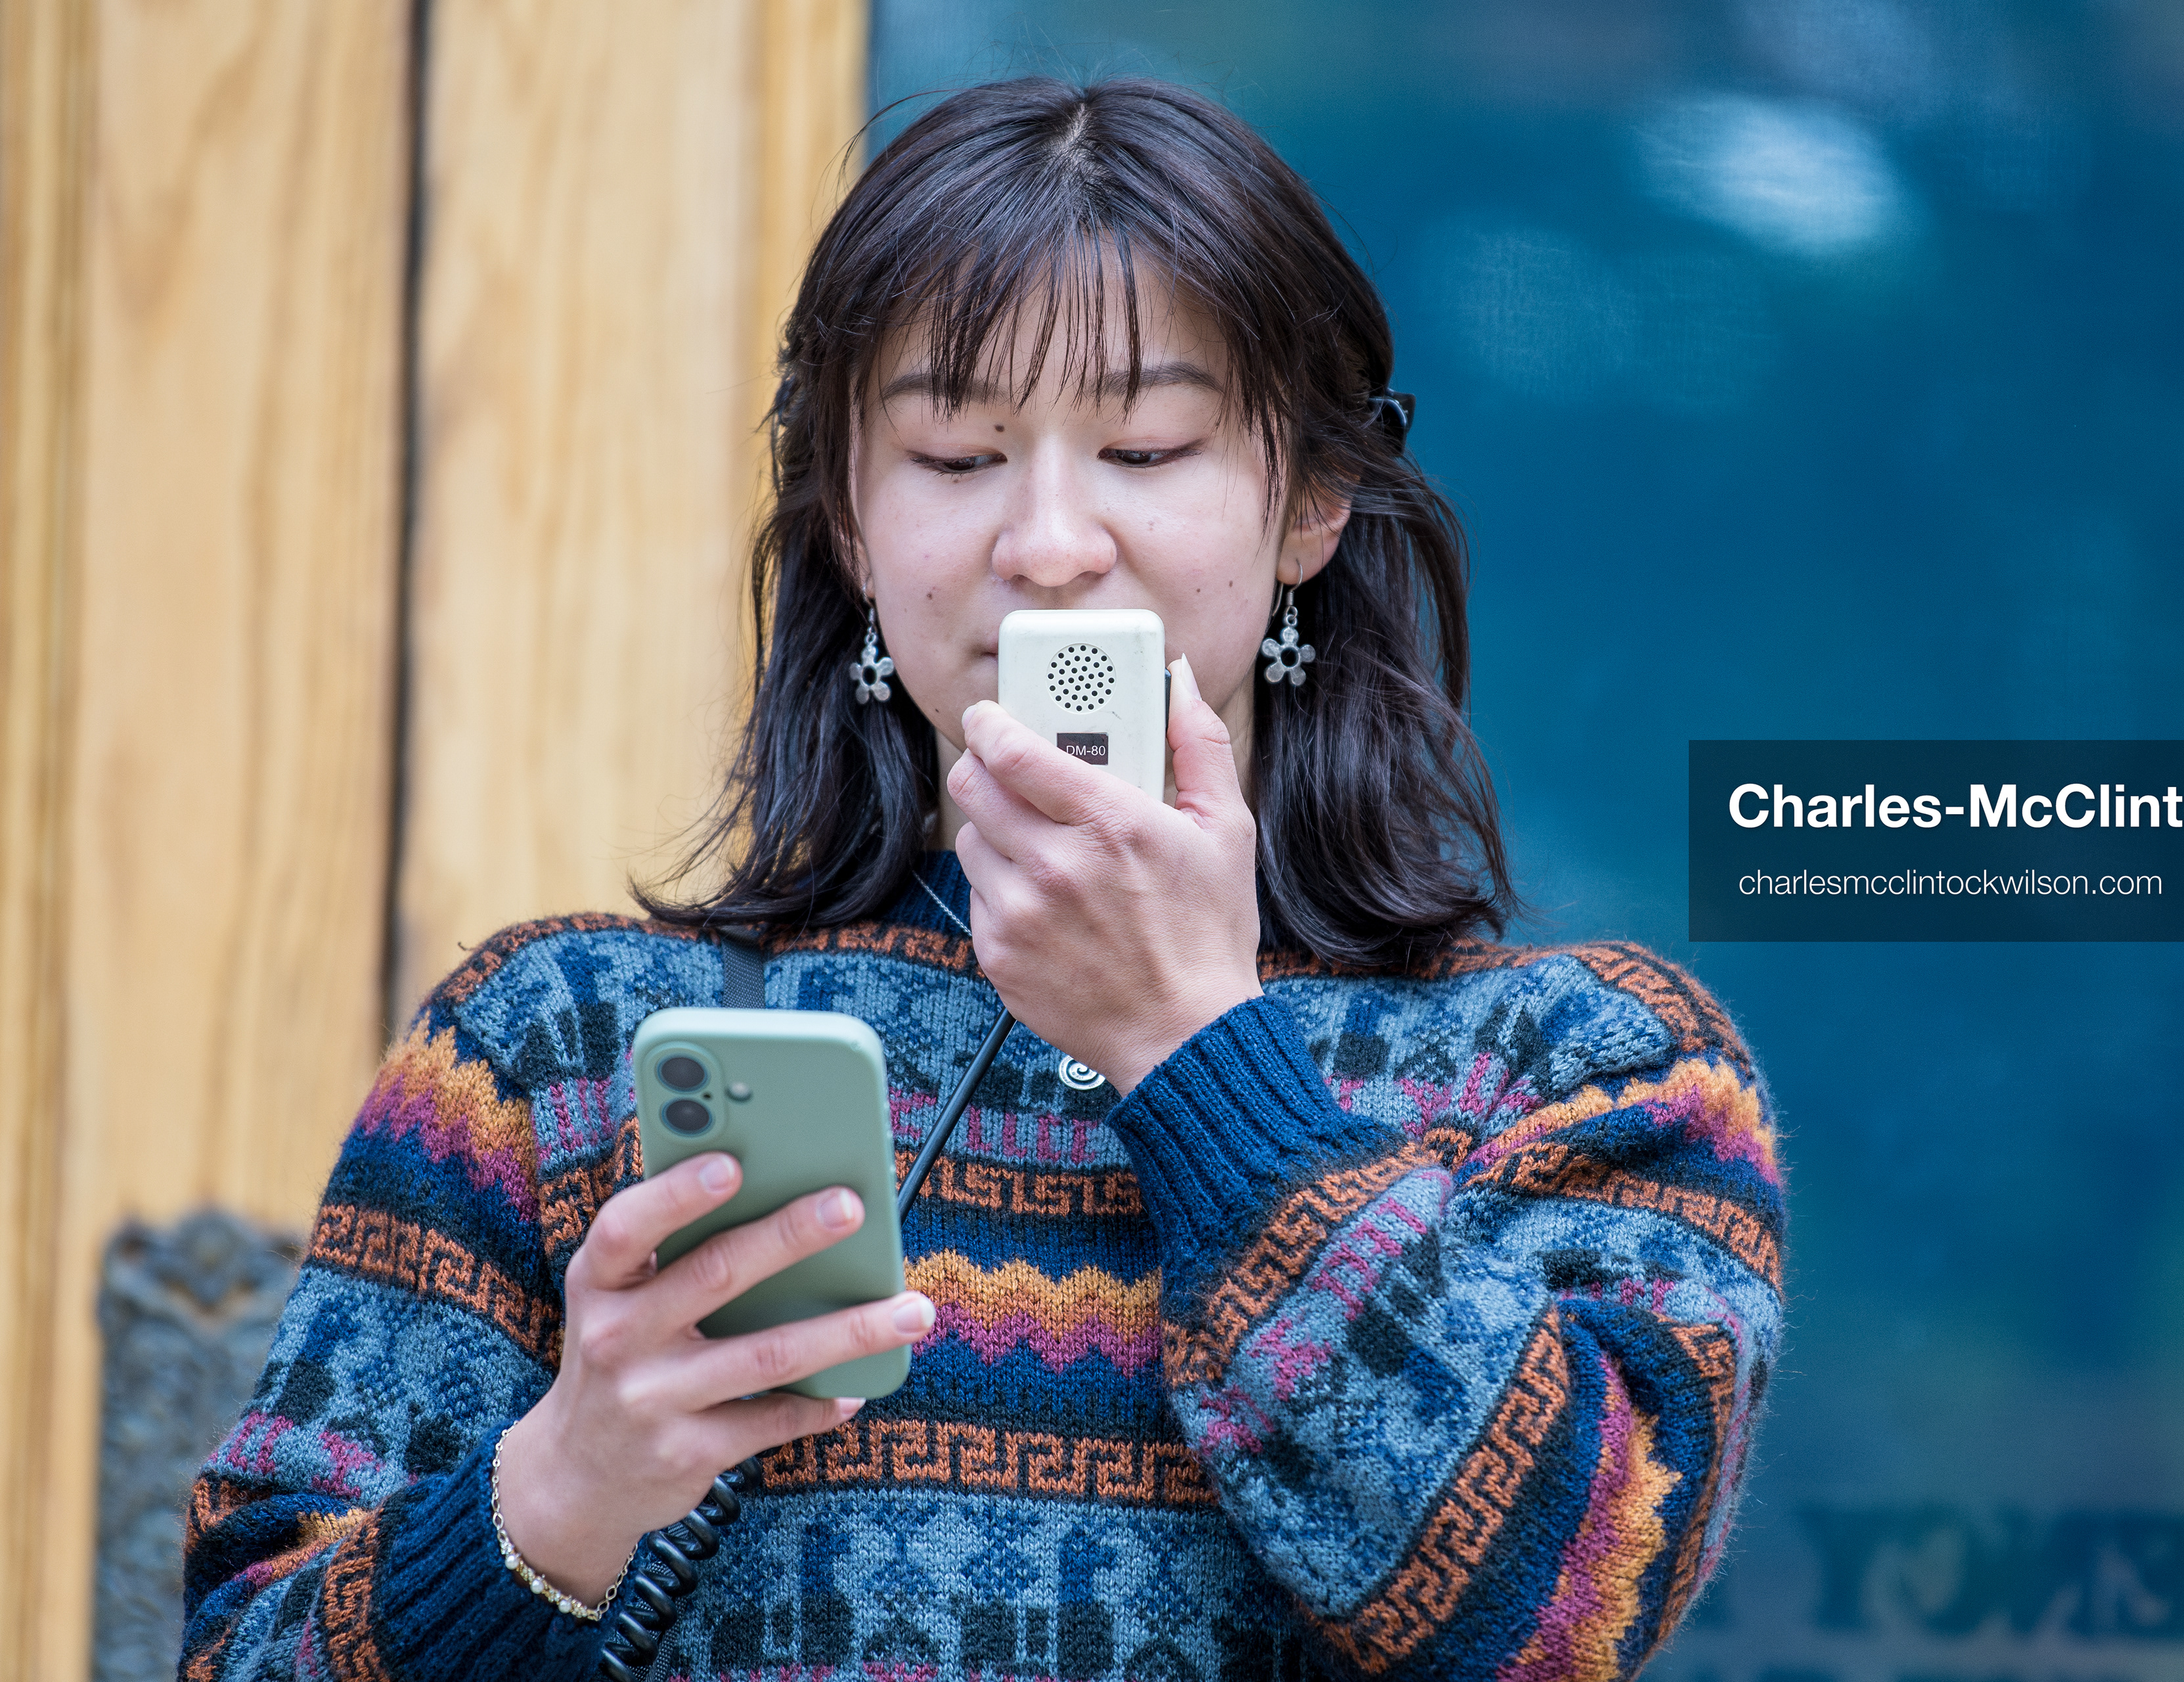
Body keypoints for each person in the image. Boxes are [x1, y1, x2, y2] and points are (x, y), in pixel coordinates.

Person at [181, 76, 1785, 1682]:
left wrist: (1198, 1050)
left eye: (1147, 444)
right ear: (853, 525)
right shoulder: (554, 1046)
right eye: (956, 453)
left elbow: (1565, 1611)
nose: (1051, 540)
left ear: (1311, 498)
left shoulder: (1584, 1071)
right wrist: (568, 1484)